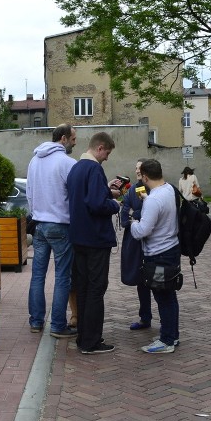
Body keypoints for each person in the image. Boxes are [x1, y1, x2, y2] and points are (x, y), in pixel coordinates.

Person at [66, 133, 123, 354]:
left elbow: (83, 197)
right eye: (107, 153)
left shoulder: (76, 169)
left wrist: (106, 191)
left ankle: (83, 337)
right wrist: (114, 204)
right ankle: (91, 341)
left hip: (78, 237)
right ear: (100, 148)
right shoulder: (94, 169)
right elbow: (97, 204)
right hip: (95, 238)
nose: (107, 158)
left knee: (82, 287)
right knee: (96, 288)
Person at [26, 124, 77, 338]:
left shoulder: (34, 160)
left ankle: (36, 322)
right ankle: (57, 325)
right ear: (64, 138)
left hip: (38, 224)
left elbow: (29, 193)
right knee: (62, 276)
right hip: (60, 224)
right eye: (74, 138)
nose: (75, 142)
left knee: (37, 275)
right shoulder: (68, 163)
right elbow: (74, 196)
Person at [129, 159, 181, 354]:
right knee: (170, 295)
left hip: (159, 256)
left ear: (145, 176)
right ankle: (172, 335)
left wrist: (133, 221)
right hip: (171, 249)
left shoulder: (153, 199)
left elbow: (143, 230)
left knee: (163, 296)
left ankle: (166, 340)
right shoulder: (170, 190)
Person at [121, 159, 153, 331]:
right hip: (135, 242)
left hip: (153, 242)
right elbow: (124, 217)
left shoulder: (156, 189)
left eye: (140, 168)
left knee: (157, 281)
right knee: (141, 281)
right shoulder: (131, 190)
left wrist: (137, 214)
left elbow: (153, 214)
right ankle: (145, 317)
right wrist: (137, 216)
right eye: (135, 168)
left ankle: (166, 320)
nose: (137, 171)